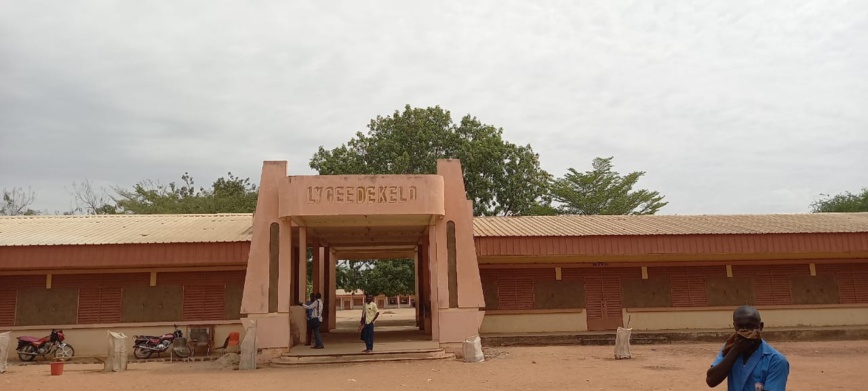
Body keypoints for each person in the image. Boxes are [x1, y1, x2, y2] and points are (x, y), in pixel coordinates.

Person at [706, 305, 789, 391]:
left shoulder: (776, 360)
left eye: (750, 326)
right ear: (735, 326)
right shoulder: (729, 348)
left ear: (760, 327)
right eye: (740, 326)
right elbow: (711, 380)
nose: (745, 330)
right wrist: (735, 351)